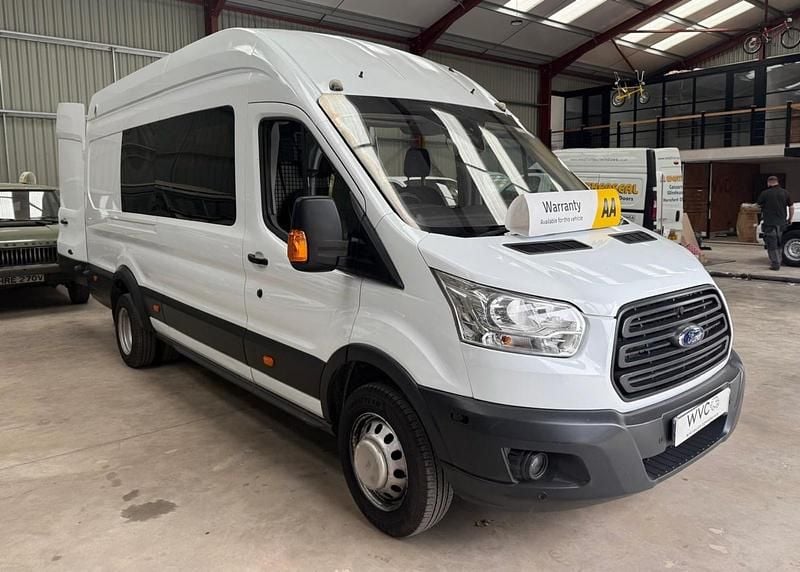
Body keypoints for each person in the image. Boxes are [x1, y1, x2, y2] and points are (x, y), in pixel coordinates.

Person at [757, 176, 795, 270]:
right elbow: (791, 207)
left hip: (769, 223)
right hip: (782, 223)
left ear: (769, 182)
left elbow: (758, 206)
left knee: (771, 244)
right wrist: (790, 219)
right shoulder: (785, 192)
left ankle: (775, 263)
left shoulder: (765, 193)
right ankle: (779, 260)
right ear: (777, 182)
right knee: (779, 243)